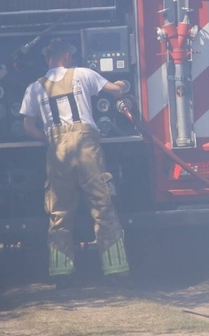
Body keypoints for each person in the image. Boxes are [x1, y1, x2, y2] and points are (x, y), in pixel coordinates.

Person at [21, 38, 131, 288]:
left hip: (57, 149)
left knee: (59, 212)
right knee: (102, 205)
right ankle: (116, 271)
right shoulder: (83, 74)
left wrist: (50, 139)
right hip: (87, 148)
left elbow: (28, 127)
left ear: (46, 58)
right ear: (68, 56)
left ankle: (61, 274)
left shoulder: (34, 88)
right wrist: (123, 83)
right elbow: (114, 90)